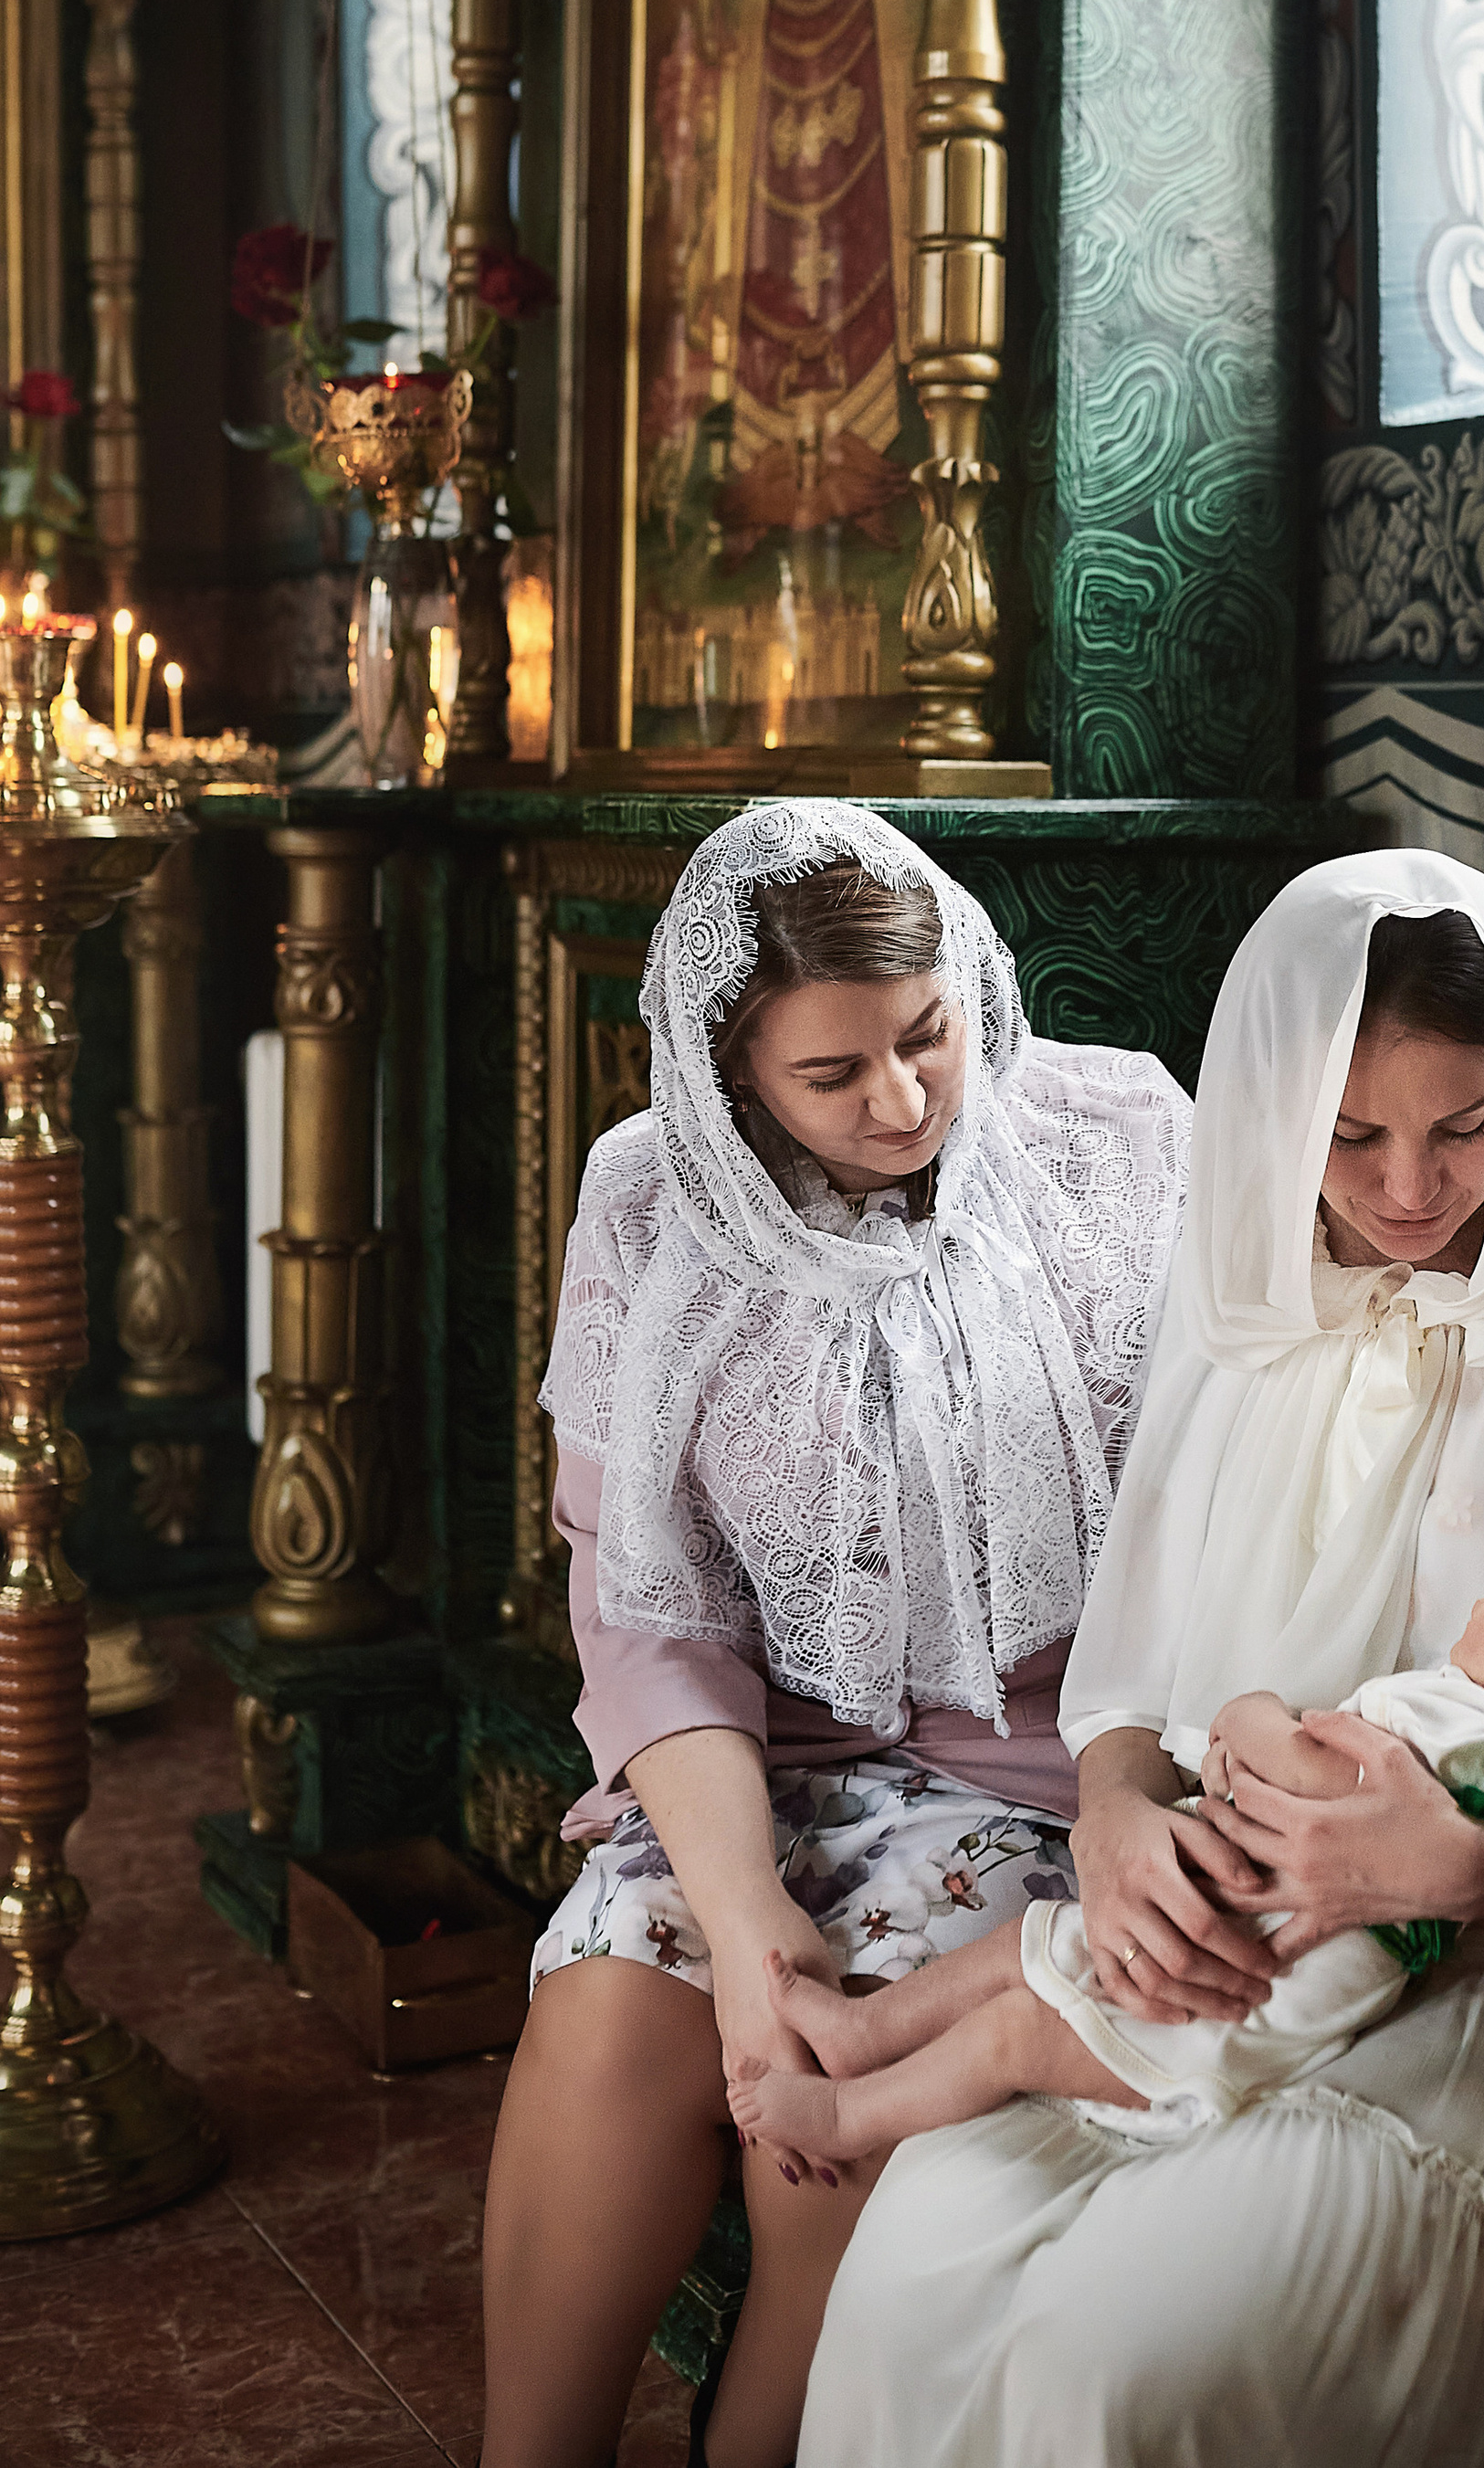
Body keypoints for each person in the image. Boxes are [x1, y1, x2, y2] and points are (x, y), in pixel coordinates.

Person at [797, 849, 1484, 2468]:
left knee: (1119, 2354)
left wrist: (1475, 1856)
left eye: (1465, 1126)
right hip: (1251, 1931)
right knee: (919, 2248)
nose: (1411, 1188)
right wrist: (1113, 1820)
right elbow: (1134, 1686)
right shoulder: (1243, 1303)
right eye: (1352, 1133)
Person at [477, 805, 1189, 2468]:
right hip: (755, 1767)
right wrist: (740, 1922)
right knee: (606, 2005)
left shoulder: (1124, 1138)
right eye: (831, 1073)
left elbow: (1217, 1506)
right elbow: (652, 1612)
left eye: (927, 1034)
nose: (902, 1098)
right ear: (731, 1078)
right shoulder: (649, 1209)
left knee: (846, 2136)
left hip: (1051, 1770)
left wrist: (1132, 1775)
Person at [724, 1548, 1484, 2160]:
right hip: (1242, 1923)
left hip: (1235, 2007)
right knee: (1029, 1947)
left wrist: (1247, 1716)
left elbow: (1322, 1789)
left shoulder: (1479, 1744)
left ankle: (848, 2113)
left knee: (1014, 2034)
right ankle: (861, 2034)